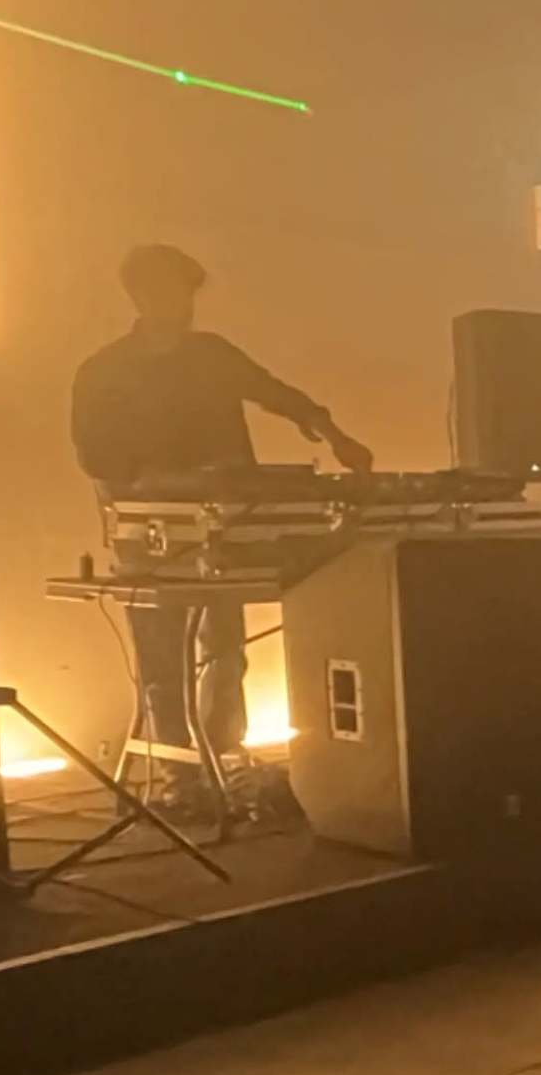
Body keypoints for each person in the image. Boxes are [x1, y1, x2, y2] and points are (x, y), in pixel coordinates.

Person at [71, 242, 370, 769]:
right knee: (163, 657)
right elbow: (94, 454)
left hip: (224, 525)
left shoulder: (212, 353)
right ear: (138, 295)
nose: (183, 303)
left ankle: (223, 756)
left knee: (225, 648)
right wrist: (154, 481)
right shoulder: (104, 370)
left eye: (187, 292)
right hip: (151, 533)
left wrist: (335, 434)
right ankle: (175, 769)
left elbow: (274, 392)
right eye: (170, 290)